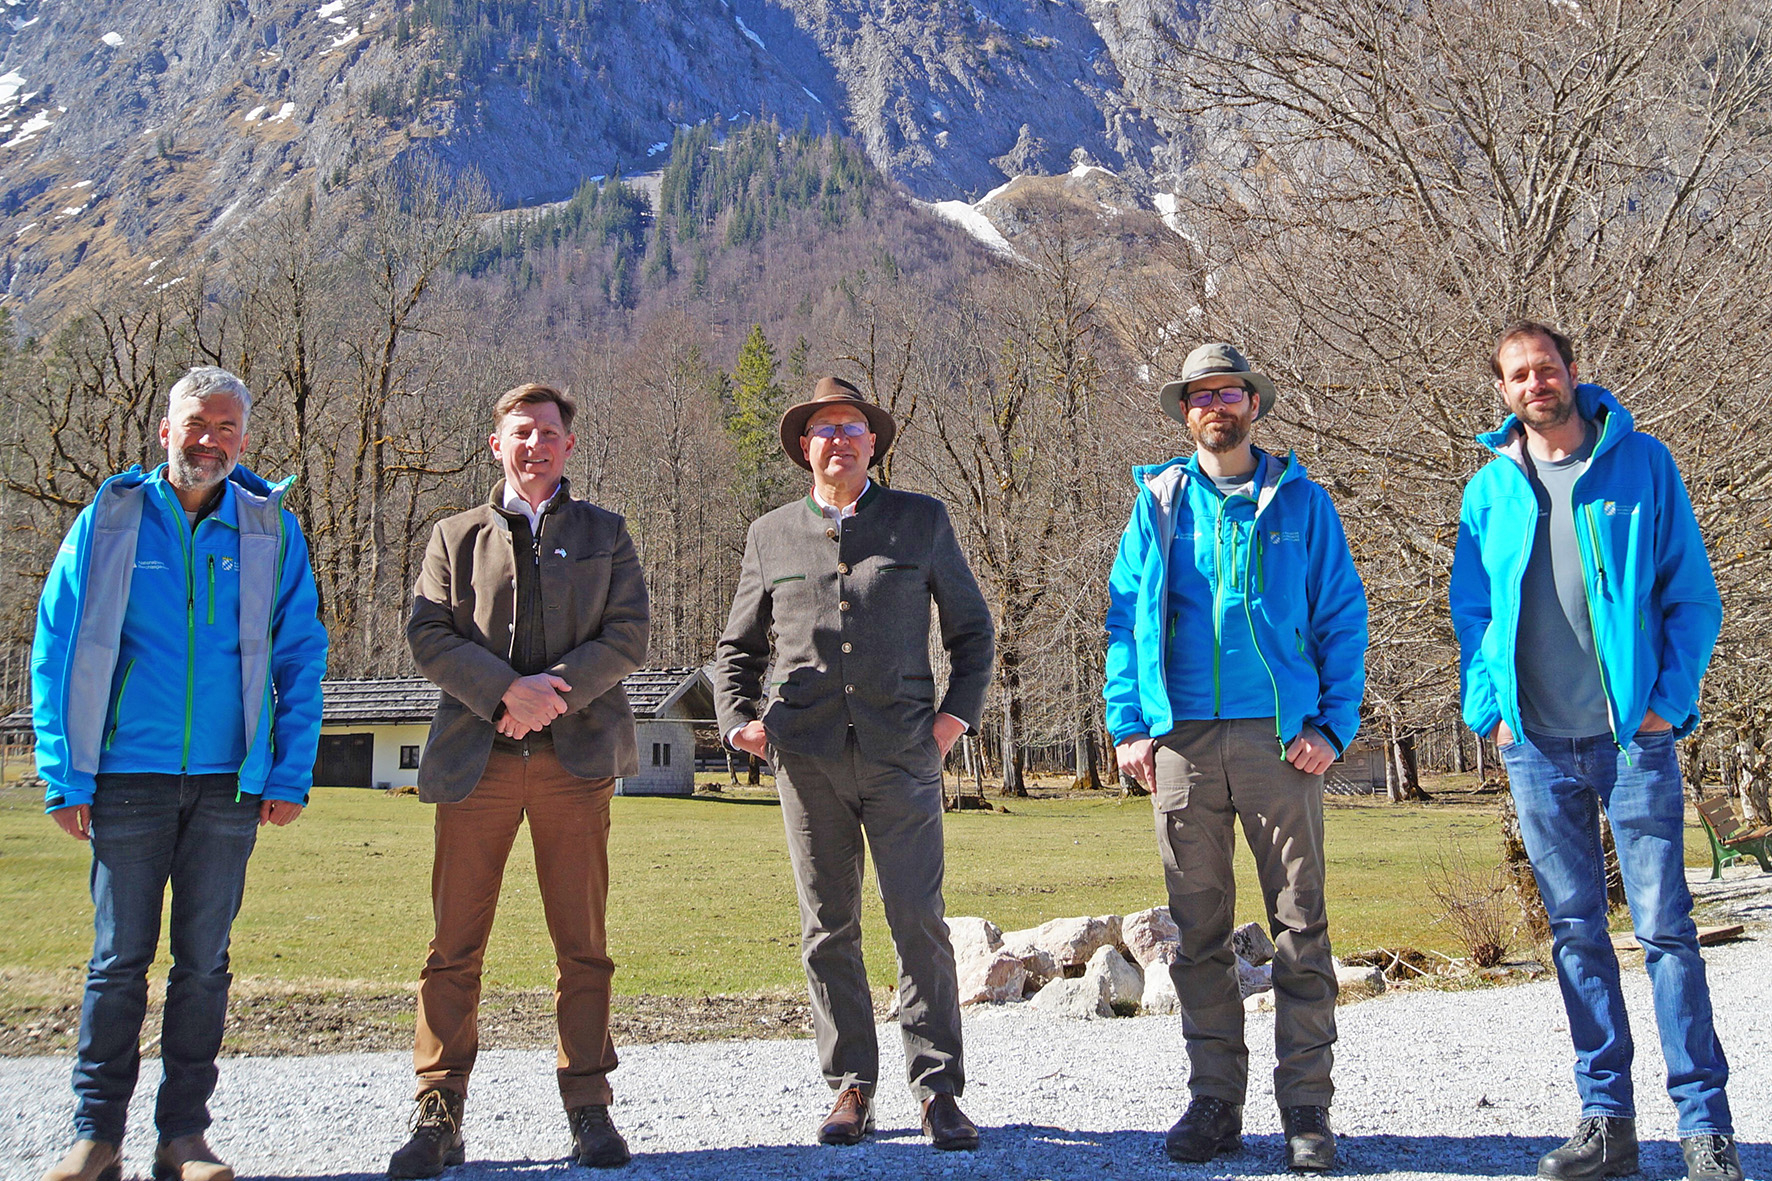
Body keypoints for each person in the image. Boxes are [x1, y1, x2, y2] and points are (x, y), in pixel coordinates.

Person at [1450, 323, 1738, 1181]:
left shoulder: (1644, 464)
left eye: (1546, 368)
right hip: (1534, 745)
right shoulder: (1489, 490)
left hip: (1632, 743)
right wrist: (1490, 712)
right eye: (1517, 375)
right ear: (1502, 392)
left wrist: (1665, 706)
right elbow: (1473, 614)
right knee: (1575, 933)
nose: (1535, 383)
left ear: (1572, 373)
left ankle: (1703, 1127)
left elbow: (1693, 597)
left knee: (1666, 933)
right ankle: (1606, 1121)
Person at [31, 366, 328, 1181]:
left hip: (231, 784)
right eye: (197, 425)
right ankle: (97, 1136)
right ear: (165, 430)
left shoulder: (270, 529)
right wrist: (65, 772)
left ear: (244, 439)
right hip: (126, 776)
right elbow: (57, 646)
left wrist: (289, 771)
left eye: (228, 428)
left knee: (204, 963)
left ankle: (184, 1138)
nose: (211, 440)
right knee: (118, 961)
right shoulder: (112, 519)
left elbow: (302, 654)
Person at [711, 377, 995, 1151]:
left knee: (919, 924)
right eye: (823, 429)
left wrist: (949, 723)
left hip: (904, 751)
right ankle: (851, 1086)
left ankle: (937, 1090)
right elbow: (735, 647)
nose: (838, 439)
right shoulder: (770, 534)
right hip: (805, 760)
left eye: (852, 427)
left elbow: (974, 634)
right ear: (805, 446)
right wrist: (739, 719)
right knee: (828, 926)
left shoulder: (920, 521)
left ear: (874, 443)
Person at [1104, 343, 1367, 1172]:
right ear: (1185, 411)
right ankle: (1215, 1100)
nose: (1216, 404)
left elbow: (1342, 618)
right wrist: (1129, 725)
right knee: (1198, 931)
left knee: (1299, 925)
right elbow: (1122, 622)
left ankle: (1307, 1110)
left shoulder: (1302, 502)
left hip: (1279, 740)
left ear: (1255, 403)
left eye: (1231, 391)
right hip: (1179, 740)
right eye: (1201, 394)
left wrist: (1331, 723)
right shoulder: (1157, 504)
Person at [392, 383, 649, 1176]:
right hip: (479, 763)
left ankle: (588, 1104)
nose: (534, 444)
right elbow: (427, 631)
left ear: (569, 446)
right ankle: (439, 1110)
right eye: (519, 432)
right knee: (454, 945)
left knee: (584, 946)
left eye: (547, 432)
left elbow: (630, 632)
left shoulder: (607, 534)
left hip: (577, 765)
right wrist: (505, 692)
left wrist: (549, 694)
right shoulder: (454, 535)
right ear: (495, 444)